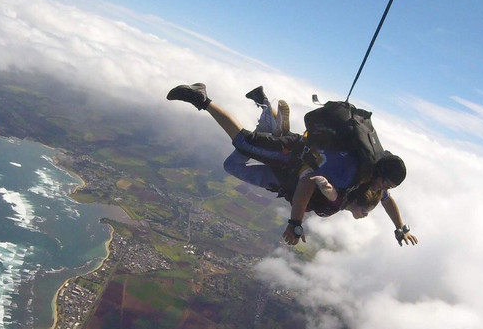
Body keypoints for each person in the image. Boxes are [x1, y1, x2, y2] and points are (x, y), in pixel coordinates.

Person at [167, 82, 417, 247]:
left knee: (237, 162)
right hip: (290, 157)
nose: (386, 188)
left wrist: (400, 228)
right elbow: (308, 183)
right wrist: (295, 223)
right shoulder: (351, 174)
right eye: (388, 183)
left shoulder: (369, 175)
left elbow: (386, 199)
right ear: (382, 174)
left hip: (295, 159)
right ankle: (201, 98)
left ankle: (269, 121)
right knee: (243, 142)